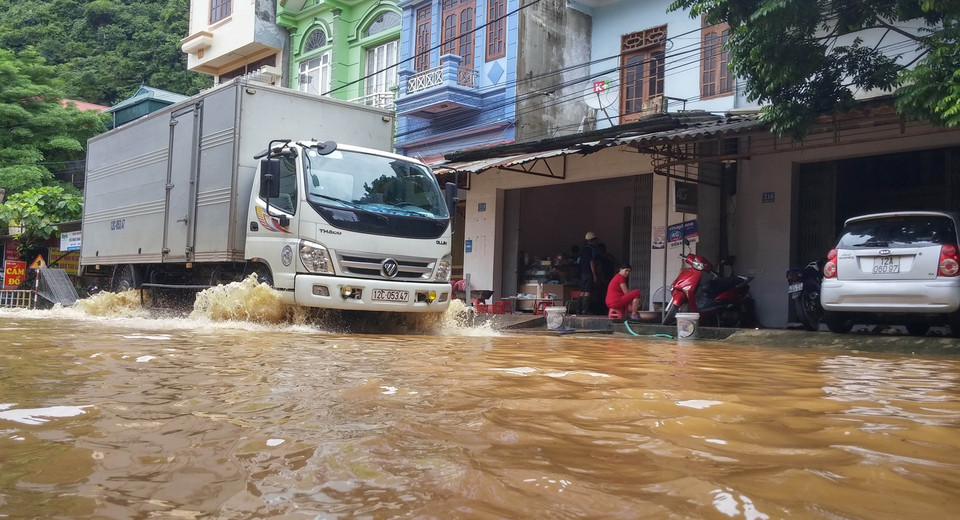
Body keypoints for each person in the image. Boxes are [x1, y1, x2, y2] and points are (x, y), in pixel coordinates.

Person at [577, 231, 600, 313]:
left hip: (582, 273)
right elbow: (592, 262)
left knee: (582, 291)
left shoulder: (583, 250)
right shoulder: (591, 249)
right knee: (587, 291)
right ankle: (584, 310)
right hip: (588, 273)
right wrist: (594, 275)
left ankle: (578, 309)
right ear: (592, 240)